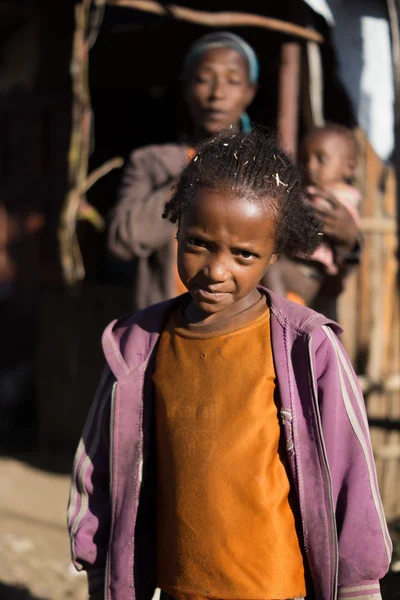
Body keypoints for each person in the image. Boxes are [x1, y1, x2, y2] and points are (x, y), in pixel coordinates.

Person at [68, 130, 391, 600]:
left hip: (278, 589)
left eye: (244, 254)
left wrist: (358, 586)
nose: (217, 270)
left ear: (274, 253)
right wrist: (101, 569)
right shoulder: (138, 345)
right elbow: (98, 463)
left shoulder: (307, 347)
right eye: (199, 243)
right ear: (176, 227)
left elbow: (351, 475)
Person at [107, 32, 258, 310]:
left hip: (241, 332)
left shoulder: (263, 168)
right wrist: (193, 176)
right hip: (165, 330)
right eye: (203, 79)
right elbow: (122, 240)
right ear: (187, 87)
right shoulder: (151, 162)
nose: (217, 94)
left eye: (233, 81)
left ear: (249, 92)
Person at [264, 124, 362, 314]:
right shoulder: (308, 193)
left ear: (348, 168)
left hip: (312, 274)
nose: (310, 166)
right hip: (302, 270)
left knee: (272, 271)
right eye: (304, 158)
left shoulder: (337, 200)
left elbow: (313, 218)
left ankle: (282, 320)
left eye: (321, 159)